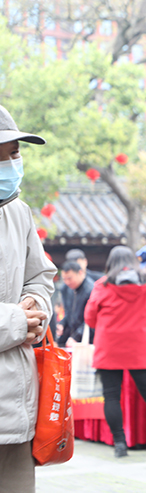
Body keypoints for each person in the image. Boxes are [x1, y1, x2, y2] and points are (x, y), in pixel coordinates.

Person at [0, 104, 57, 491]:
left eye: (14, 153)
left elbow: (41, 275)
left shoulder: (18, 212)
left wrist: (37, 306)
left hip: (16, 408)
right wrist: (16, 322)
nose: (10, 165)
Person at [83, 245, 146, 458]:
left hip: (108, 348)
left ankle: (119, 445)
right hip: (140, 347)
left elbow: (89, 318)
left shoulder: (102, 286)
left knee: (111, 397)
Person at [56, 260, 95, 347]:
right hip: (71, 336)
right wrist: (62, 324)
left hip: (87, 339)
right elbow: (68, 313)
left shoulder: (90, 290)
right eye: (64, 279)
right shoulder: (66, 289)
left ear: (80, 273)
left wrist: (76, 337)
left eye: (70, 278)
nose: (67, 282)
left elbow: (91, 319)